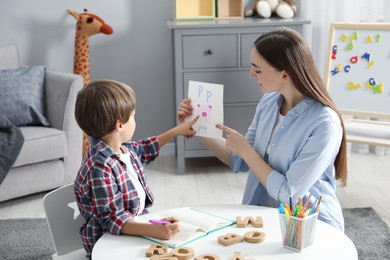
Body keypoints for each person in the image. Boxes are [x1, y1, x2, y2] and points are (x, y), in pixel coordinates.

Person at [177, 27, 347, 232]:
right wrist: (195, 125)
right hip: (264, 217)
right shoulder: (269, 103)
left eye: (257, 70)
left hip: (308, 226)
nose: (250, 74)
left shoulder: (324, 124)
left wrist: (246, 150)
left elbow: (289, 193)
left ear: (285, 75)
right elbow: (238, 159)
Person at [74, 79, 199, 257]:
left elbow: (144, 148)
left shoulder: (122, 149)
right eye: (133, 116)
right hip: (108, 246)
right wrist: (154, 231)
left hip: (131, 230)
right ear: (119, 125)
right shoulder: (99, 168)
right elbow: (113, 221)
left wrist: (177, 131)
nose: (134, 119)